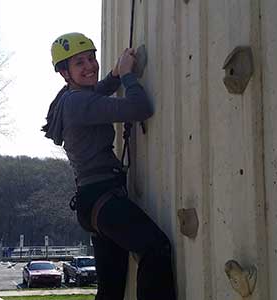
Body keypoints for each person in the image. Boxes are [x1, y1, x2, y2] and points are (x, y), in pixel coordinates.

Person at [42, 32, 176, 300]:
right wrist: (128, 76)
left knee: (111, 291)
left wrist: (114, 74)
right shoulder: (78, 102)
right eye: (79, 63)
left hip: (92, 201)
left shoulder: (68, 98)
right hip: (104, 198)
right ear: (64, 72)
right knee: (155, 248)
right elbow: (140, 108)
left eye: (92, 58)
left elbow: (98, 90)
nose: (90, 66)